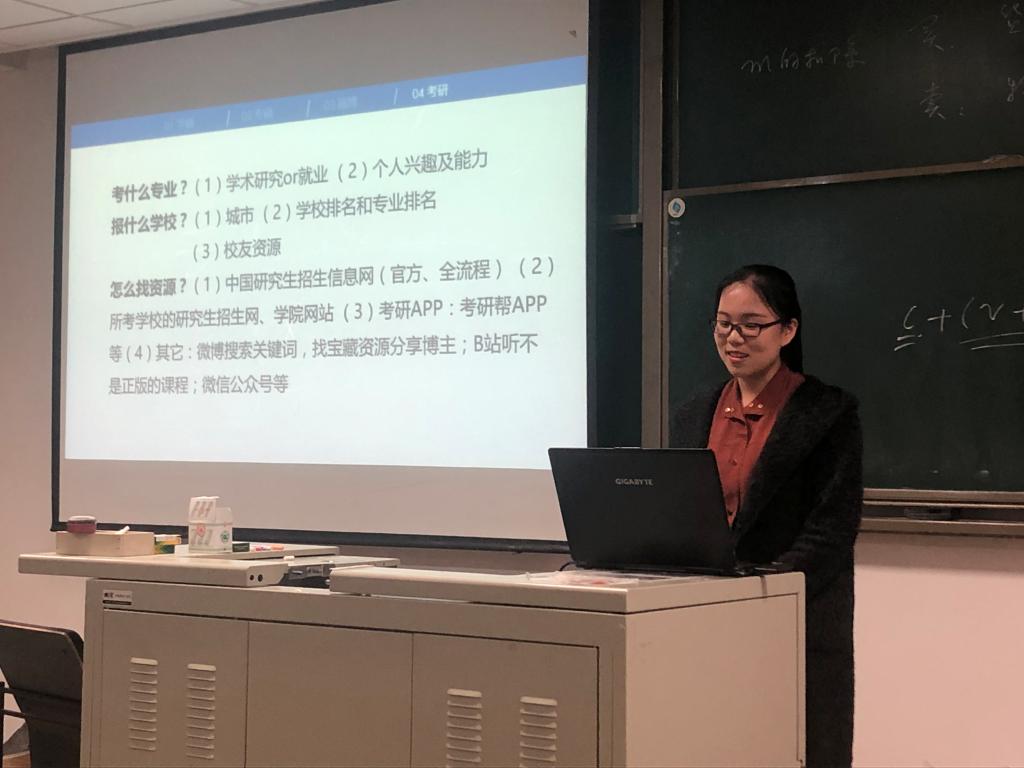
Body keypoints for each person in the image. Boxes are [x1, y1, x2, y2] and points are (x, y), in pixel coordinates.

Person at [670, 264, 862, 768]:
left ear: (788, 330)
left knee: (798, 747)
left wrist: (763, 590)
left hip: (797, 618)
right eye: (723, 323)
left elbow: (832, 529)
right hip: (705, 618)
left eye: (751, 325)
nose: (734, 338)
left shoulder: (827, 412)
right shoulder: (694, 412)